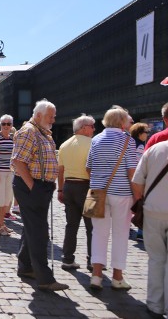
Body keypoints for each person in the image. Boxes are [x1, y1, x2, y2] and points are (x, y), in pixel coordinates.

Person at [11, 99, 69, 291]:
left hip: (40, 186)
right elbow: (18, 162)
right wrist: (33, 187)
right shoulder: (29, 131)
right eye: (50, 116)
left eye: (53, 116)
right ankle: (44, 278)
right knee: (39, 232)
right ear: (38, 115)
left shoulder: (43, 132)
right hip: (31, 187)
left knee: (32, 228)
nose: (53, 119)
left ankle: (26, 267)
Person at [86, 106, 139, 290]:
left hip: (97, 192)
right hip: (121, 192)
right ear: (122, 122)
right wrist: (138, 196)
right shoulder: (127, 141)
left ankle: (96, 275)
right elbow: (132, 170)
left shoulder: (96, 139)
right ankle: (117, 276)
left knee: (98, 233)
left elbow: (89, 167)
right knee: (120, 234)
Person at [132, 140, 168, 318]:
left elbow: (137, 183)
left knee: (155, 259)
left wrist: (142, 199)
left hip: (153, 210)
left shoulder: (155, 149)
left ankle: (155, 304)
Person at [57, 114, 96, 271]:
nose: (94, 129)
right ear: (84, 128)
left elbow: (60, 171)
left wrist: (60, 189)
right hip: (87, 187)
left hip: (69, 186)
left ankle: (67, 259)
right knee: (91, 227)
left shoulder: (65, 145)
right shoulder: (92, 144)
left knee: (71, 226)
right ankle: (92, 260)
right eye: (92, 126)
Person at [130, 122, 150, 241]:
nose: (147, 134)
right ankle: (141, 231)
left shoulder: (131, 142)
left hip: (131, 178)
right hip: (139, 178)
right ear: (139, 133)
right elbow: (139, 162)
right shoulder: (140, 146)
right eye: (146, 132)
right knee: (141, 203)